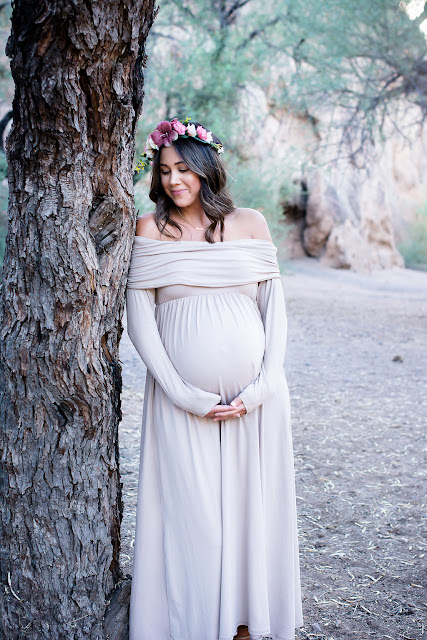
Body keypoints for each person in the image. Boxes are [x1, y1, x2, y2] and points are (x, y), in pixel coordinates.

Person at [126, 117, 303, 640]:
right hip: (183, 402)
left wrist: (264, 386)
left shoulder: (250, 223)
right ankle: (195, 626)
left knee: (252, 515)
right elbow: (140, 321)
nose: (174, 180)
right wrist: (182, 393)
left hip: (257, 402)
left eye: (183, 168)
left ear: (206, 168)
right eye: (164, 171)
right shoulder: (150, 229)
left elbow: (276, 310)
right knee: (193, 519)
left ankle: (246, 625)